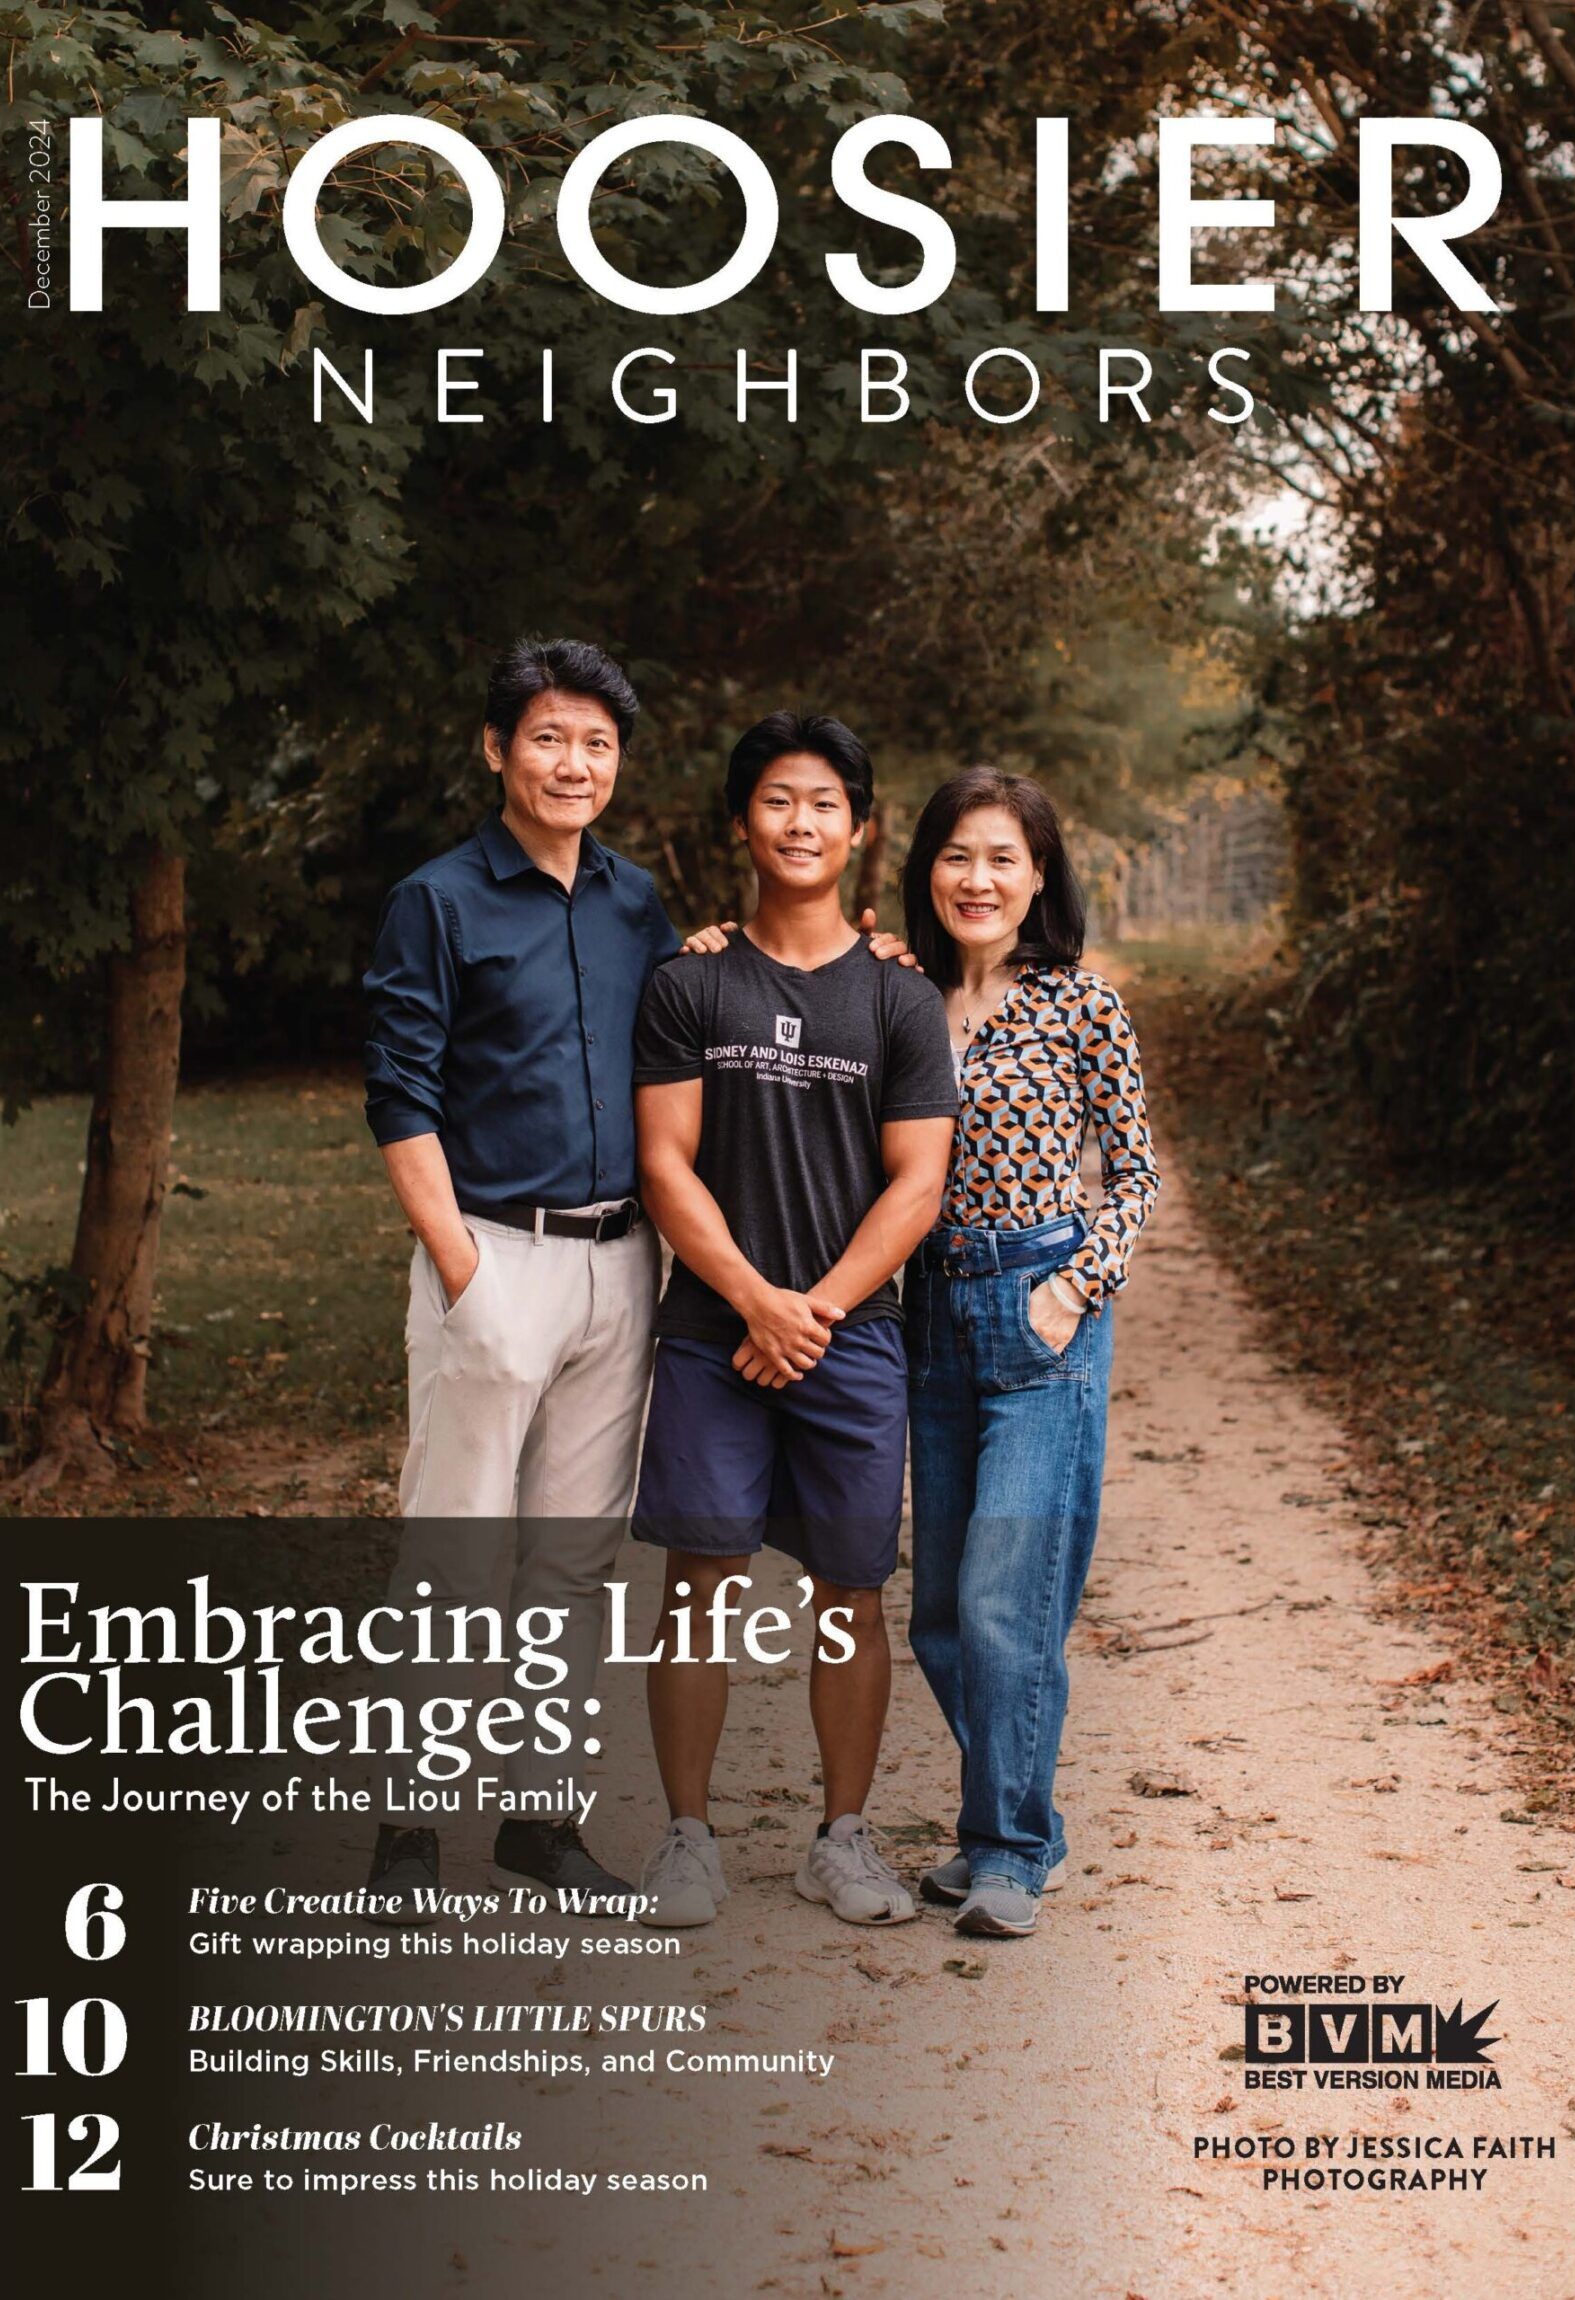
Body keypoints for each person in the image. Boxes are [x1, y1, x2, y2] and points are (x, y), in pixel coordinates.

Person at [359, 636, 677, 1913]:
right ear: (498, 749)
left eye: (596, 742)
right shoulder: (437, 899)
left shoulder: (635, 901)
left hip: (621, 1265)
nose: (573, 761)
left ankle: (538, 1823)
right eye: (549, 736)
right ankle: (406, 1835)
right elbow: (400, 1091)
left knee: (573, 1559)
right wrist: (459, 1267)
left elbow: (685, 1032)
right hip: (491, 1257)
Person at [630, 713, 959, 1929]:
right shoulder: (690, 980)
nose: (802, 821)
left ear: (859, 828)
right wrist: (753, 1301)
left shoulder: (898, 999)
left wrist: (809, 1309)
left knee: (849, 1588)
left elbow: (916, 1184)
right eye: (777, 799)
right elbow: (665, 1164)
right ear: (742, 820)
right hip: (712, 1331)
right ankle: (687, 1838)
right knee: (700, 1583)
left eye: (826, 802)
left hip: (851, 1334)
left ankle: (843, 1836)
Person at [901, 768, 1160, 1938]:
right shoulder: (894, 997)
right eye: (958, 854)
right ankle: (1016, 1825)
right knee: (941, 1620)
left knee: (1007, 1605)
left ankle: (1006, 1849)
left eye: (1003, 856)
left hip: (1040, 1308)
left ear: (1039, 874)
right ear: (927, 869)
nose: (978, 878)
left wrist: (1072, 1287)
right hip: (928, 1312)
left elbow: (1138, 1174)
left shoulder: (1080, 1004)